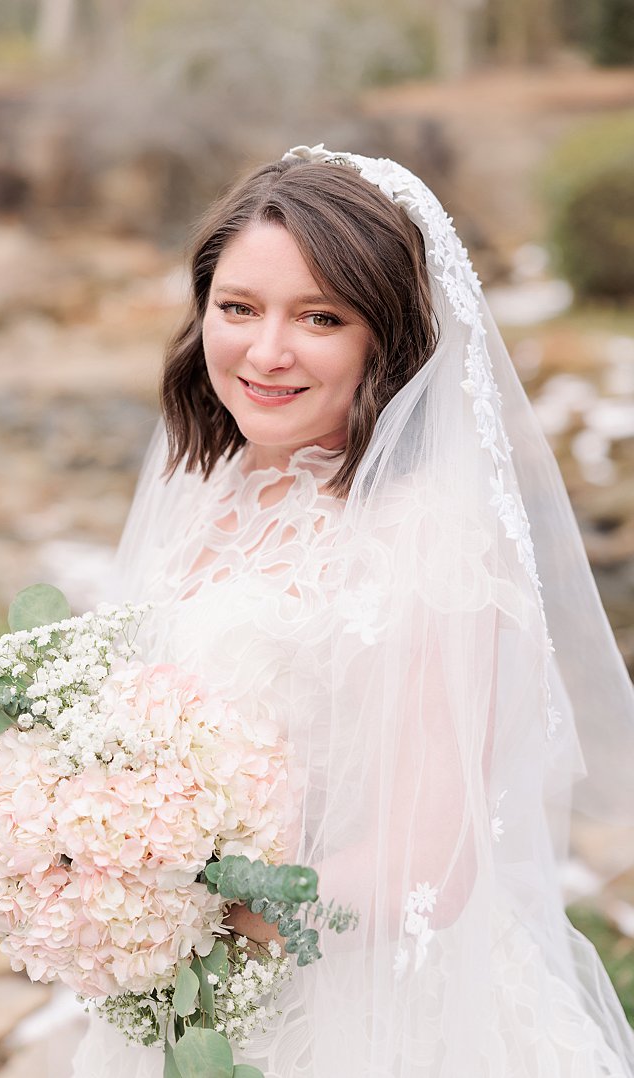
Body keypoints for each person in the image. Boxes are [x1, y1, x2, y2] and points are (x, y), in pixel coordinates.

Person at [71, 147, 634, 1075]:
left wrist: (177, 905)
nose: (265, 352)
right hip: (185, 995)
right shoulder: (210, 483)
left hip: (367, 1016)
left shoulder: (429, 539)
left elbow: (428, 867)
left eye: (320, 317)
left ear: (388, 337)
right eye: (238, 307)